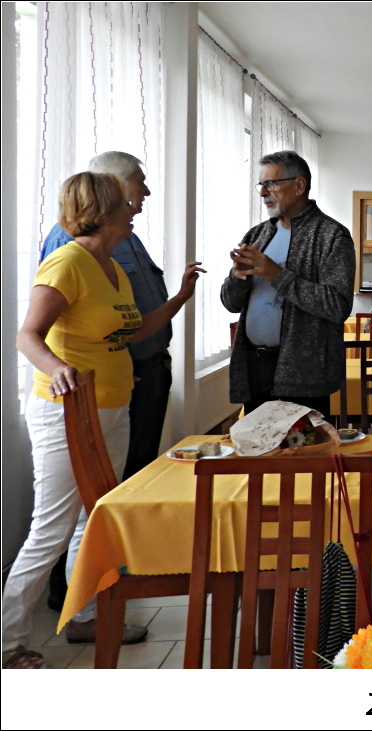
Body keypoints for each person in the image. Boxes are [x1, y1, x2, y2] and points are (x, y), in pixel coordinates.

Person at [5, 172, 202, 669]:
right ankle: (7, 642)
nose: (135, 208)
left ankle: (85, 617)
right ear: (103, 210)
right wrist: (57, 368)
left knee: (93, 520)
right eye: (126, 203)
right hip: (66, 412)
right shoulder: (68, 262)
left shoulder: (111, 267)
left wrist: (179, 298)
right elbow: (28, 336)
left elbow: (132, 331)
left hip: (113, 407)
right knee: (51, 529)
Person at [40, 152, 172, 479]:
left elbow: (128, 319)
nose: (146, 191)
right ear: (114, 186)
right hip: (95, 388)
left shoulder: (124, 239)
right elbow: (47, 327)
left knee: (132, 479)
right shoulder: (68, 245)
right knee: (99, 485)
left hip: (133, 376)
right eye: (140, 182)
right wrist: (61, 369)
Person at [223, 151, 355, 419]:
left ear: (299, 185)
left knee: (302, 446)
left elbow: (337, 306)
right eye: (261, 185)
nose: (263, 192)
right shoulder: (258, 234)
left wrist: (276, 274)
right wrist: (237, 278)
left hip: (303, 374)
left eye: (271, 183)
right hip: (255, 368)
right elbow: (230, 303)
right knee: (257, 443)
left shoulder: (332, 236)